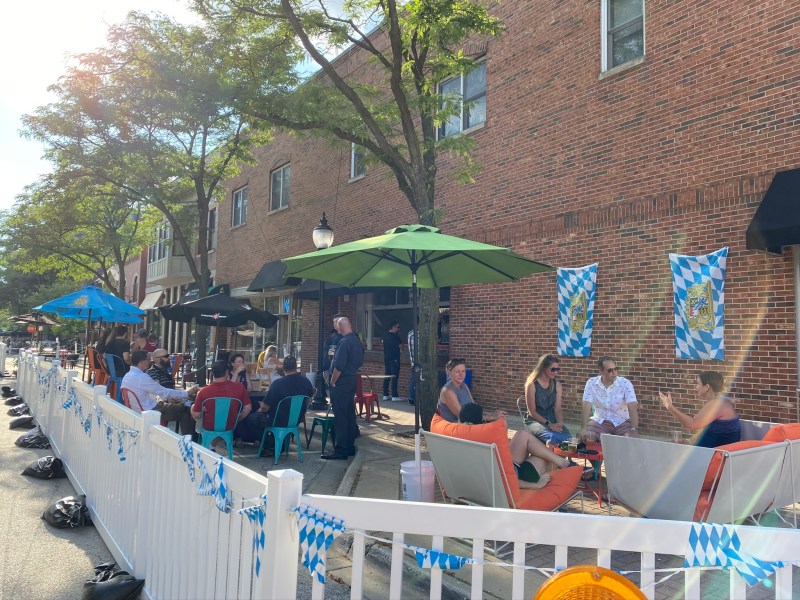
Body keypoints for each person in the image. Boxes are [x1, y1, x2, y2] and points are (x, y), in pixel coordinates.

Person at [459, 403, 591, 487]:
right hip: (513, 476)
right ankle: (563, 468)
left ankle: (564, 464)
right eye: (483, 416)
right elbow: (503, 426)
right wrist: (537, 485)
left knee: (525, 436)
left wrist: (487, 419)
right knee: (543, 454)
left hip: (505, 468)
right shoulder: (487, 434)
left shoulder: (461, 436)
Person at [236, 355, 314, 446]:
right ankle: (276, 442)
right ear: (296, 367)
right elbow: (308, 399)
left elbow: (265, 407)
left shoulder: (278, 384)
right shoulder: (306, 382)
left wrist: (260, 410)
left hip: (278, 420)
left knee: (252, 418)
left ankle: (269, 443)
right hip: (297, 419)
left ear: (283, 369)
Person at [121, 350, 199, 435]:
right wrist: (187, 392)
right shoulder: (142, 377)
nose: (150, 361)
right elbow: (163, 392)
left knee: (183, 405)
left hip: (138, 409)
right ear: (142, 362)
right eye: (148, 359)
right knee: (186, 409)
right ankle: (189, 442)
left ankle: (187, 439)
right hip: (149, 411)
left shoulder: (127, 376)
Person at [659, 371, 740, 447]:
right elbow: (707, 429)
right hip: (709, 451)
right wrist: (688, 441)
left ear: (707, 387)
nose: (696, 387)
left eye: (698, 383)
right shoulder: (720, 401)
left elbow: (693, 424)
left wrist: (670, 407)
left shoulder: (717, 404)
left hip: (716, 455)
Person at [323, 317, 364, 460]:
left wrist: (333, 381)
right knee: (349, 414)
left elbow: (339, 365)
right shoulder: (357, 341)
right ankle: (349, 447)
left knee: (340, 416)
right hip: (352, 379)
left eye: (337, 326)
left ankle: (341, 449)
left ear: (340, 327)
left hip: (342, 381)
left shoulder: (344, 342)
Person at [192, 361, 252, 451]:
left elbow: (196, 415)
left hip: (209, 426)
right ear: (227, 372)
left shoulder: (204, 391)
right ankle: (211, 445)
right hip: (230, 424)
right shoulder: (239, 387)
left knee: (193, 408)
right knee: (221, 419)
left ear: (212, 373)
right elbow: (248, 408)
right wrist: (237, 419)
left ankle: (204, 438)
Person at [580, 356, 639, 442]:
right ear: (601, 371)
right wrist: (583, 428)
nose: (614, 373)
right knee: (587, 438)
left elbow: (632, 406)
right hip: (600, 422)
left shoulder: (625, 383)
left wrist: (634, 429)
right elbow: (586, 405)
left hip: (622, 422)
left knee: (630, 440)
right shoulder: (591, 383)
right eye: (610, 370)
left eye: (615, 369)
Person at [438, 358, 507, 423]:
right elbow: (462, 417)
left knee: (501, 419)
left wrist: (493, 414)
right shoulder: (447, 391)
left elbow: (473, 407)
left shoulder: (464, 385)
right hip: (458, 426)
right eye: (457, 372)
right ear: (449, 373)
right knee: (499, 422)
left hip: (470, 423)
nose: (461, 374)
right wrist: (488, 417)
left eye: (463, 371)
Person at [524, 354, 571, 445]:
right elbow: (532, 412)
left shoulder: (557, 385)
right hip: (535, 420)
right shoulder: (532, 385)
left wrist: (560, 424)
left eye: (557, 369)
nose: (556, 372)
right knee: (552, 436)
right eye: (553, 369)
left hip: (551, 418)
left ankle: (555, 458)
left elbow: (557, 409)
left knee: (567, 438)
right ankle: (549, 457)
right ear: (543, 368)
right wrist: (549, 424)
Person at [382, 321, 402, 401]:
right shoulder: (395, 336)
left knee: (387, 376)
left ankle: (385, 394)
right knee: (394, 377)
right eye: (398, 327)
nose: (398, 329)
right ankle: (394, 395)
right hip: (394, 359)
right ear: (393, 327)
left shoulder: (385, 335)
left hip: (387, 358)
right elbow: (401, 346)